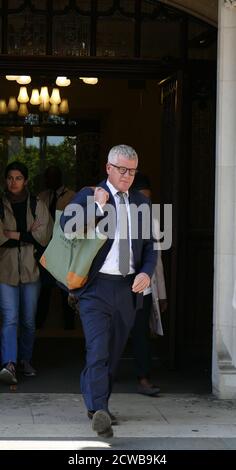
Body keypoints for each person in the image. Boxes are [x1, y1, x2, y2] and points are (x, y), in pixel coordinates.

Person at [60, 144, 157, 438]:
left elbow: (151, 247)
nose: (127, 175)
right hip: (96, 288)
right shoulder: (90, 195)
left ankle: (95, 399)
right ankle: (100, 408)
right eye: (122, 169)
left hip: (127, 288)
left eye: (132, 170)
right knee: (98, 348)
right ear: (108, 169)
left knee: (113, 353)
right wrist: (97, 206)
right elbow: (67, 227)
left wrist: (146, 272)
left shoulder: (141, 203)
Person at [0, 161, 53, 385]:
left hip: (32, 270)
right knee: (10, 318)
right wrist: (25, 234)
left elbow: (45, 234)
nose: (14, 182)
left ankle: (25, 359)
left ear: (26, 181)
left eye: (18, 178)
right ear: (5, 180)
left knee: (29, 321)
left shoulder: (36, 204)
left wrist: (12, 234)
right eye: (10, 178)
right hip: (6, 270)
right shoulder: (0, 204)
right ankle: (9, 363)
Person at [131, 172, 168, 396]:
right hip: (115, 284)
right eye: (143, 198)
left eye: (149, 199)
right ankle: (106, 375)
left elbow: (157, 260)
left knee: (141, 332)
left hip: (143, 286)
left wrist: (161, 293)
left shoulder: (152, 220)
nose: (146, 203)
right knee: (112, 331)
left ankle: (143, 378)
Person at [36, 165, 75, 329]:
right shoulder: (42, 197)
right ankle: (40, 322)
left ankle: (69, 323)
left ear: (59, 178)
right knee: (44, 287)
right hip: (46, 247)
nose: (48, 180)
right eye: (47, 177)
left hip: (64, 248)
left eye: (51, 177)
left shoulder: (72, 196)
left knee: (65, 288)